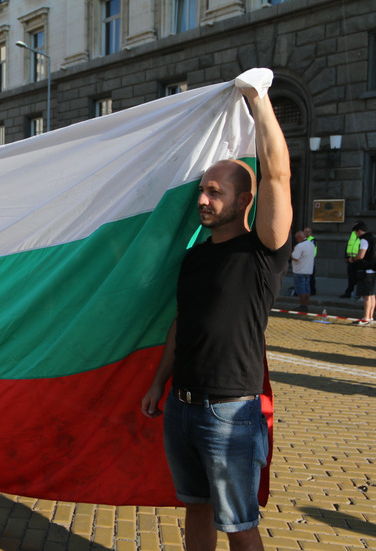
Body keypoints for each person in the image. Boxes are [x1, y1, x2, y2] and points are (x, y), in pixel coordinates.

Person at [141, 74, 292, 551]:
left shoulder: (262, 250)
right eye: (202, 190)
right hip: (182, 408)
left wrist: (258, 99)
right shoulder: (196, 255)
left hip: (230, 412)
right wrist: (158, 381)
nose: (203, 199)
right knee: (197, 511)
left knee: (240, 525)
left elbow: (279, 175)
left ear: (245, 200)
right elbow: (181, 324)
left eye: (215, 192)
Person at [349, 221, 376, 326]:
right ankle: (370, 317)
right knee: (372, 295)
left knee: (366, 296)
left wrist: (353, 259)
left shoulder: (364, 240)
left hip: (366, 270)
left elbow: (361, 255)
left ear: (360, 231)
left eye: (356, 233)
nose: (356, 235)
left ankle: (365, 318)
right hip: (374, 270)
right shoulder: (373, 239)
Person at [291, 230, 316, 312]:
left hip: (299, 270)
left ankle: (302, 306)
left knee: (300, 289)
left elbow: (295, 257)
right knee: (307, 288)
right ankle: (306, 305)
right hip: (308, 270)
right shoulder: (311, 244)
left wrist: (289, 253)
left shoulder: (300, 246)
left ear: (299, 238)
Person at [340, 223, 360, 298]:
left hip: (358, 259)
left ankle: (357, 293)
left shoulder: (362, 235)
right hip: (350, 259)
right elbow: (349, 246)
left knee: (358, 277)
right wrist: (346, 256)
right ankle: (349, 292)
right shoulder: (353, 234)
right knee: (351, 277)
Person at [303, 227, 317, 295]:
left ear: (311, 233)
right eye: (305, 231)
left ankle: (312, 290)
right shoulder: (303, 239)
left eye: (308, 231)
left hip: (310, 261)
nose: (307, 233)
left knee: (311, 277)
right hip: (304, 261)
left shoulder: (312, 239)